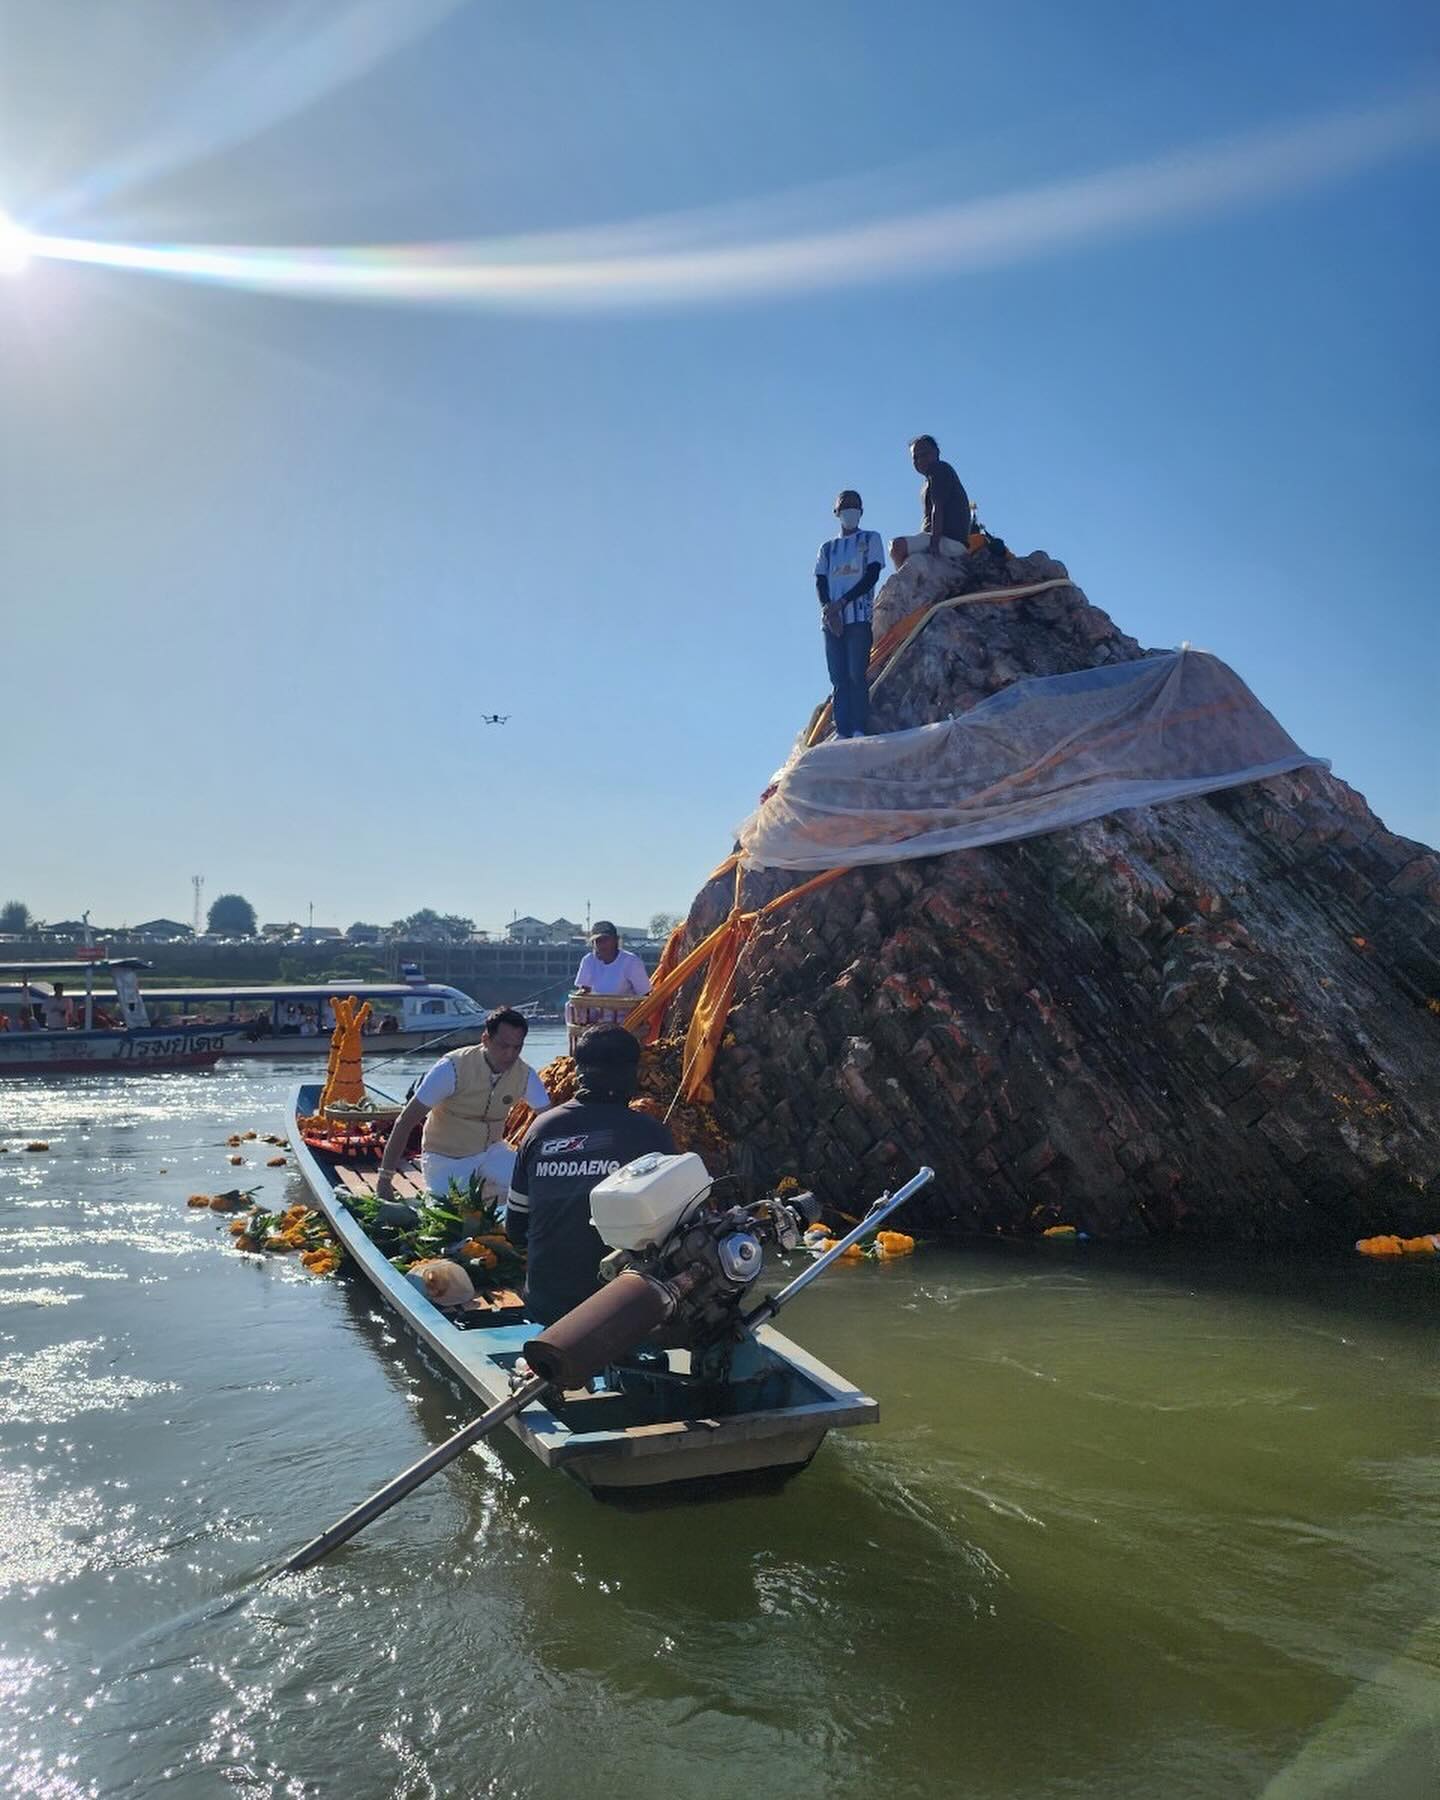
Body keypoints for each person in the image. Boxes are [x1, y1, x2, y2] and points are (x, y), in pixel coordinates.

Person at [506, 1025, 675, 1326]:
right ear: (632, 1075)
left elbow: (516, 1228)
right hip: (621, 1312)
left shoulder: (541, 1129)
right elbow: (678, 1234)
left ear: (578, 1072)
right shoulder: (651, 1135)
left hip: (546, 1304)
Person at [375, 1007, 550, 1205]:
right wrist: (384, 1178)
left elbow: (550, 1119)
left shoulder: (524, 1074)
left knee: (536, 1187)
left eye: (517, 1047)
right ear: (485, 1039)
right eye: (503, 1046)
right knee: (456, 1211)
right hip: (446, 1159)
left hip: (492, 1152)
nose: (510, 1054)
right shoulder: (451, 1068)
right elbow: (405, 1121)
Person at [815, 488, 885, 740]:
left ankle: (858, 727)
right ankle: (842, 729)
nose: (850, 510)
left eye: (855, 505)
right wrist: (828, 609)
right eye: (846, 506)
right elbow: (821, 580)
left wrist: (843, 602)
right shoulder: (827, 548)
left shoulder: (870, 539)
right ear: (836, 511)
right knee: (838, 676)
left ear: (862, 511)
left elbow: (872, 574)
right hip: (832, 621)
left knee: (857, 673)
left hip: (858, 617)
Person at [889, 435, 973, 570]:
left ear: (937, 453)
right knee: (909, 559)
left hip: (948, 541)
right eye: (915, 457)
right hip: (940, 539)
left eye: (925, 454)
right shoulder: (927, 482)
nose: (920, 460)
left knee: (897, 546)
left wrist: (934, 545)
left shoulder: (939, 469)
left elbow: (937, 507)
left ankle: (904, 581)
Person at [573, 923, 650, 998]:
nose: (602, 944)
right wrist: (580, 994)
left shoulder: (632, 962)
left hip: (627, 1011)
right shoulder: (588, 960)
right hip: (594, 1010)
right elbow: (584, 989)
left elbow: (645, 995)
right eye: (598, 941)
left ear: (616, 940)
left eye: (606, 940)